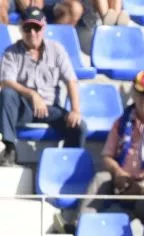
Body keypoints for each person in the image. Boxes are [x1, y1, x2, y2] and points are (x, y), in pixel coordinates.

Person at [80, 70, 144, 225]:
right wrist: (118, 172)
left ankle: (126, 225)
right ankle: (79, 225)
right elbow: (107, 156)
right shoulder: (121, 122)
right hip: (125, 179)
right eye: (141, 93)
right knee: (100, 179)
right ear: (134, 95)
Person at [0, 7, 85, 165]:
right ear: (21, 28)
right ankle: (10, 147)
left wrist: (75, 110)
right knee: (7, 95)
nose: (32, 33)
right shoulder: (11, 52)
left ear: (44, 27)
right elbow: (5, 81)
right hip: (23, 107)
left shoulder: (57, 50)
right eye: (27, 28)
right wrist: (32, 94)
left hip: (50, 108)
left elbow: (71, 80)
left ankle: (66, 164)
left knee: (78, 126)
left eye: (36, 27)